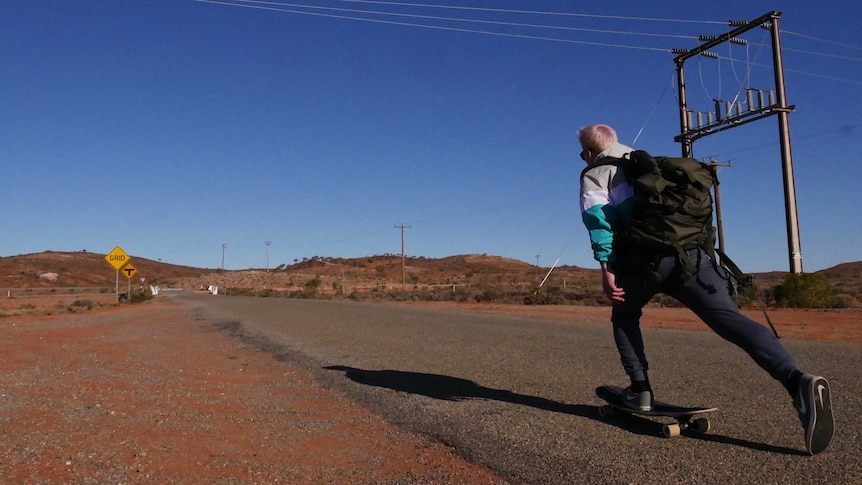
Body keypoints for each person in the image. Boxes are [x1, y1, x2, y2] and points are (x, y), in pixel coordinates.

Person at [577, 123, 834, 455]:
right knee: (730, 320)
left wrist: (606, 270)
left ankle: (640, 390)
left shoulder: (597, 172)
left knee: (625, 314)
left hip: (643, 262)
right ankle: (797, 381)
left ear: (588, 152)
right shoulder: (655, 164)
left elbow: (600, 221)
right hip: (694, 258)